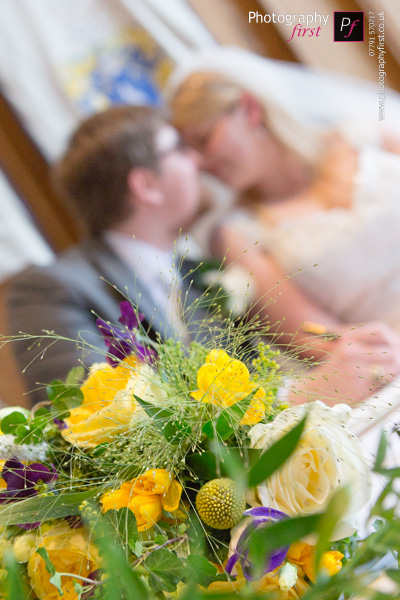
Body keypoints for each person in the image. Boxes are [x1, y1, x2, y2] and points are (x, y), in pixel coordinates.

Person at [6, 105, 400, 409]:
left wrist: (353, 355)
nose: (198, 161)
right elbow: (99, 420)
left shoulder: (201, 276)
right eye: (178, 149)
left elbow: (259, 376)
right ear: (146, 185)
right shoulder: (51, 289)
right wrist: (307, 391)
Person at [168, 47, 400, 361]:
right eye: (189, 153)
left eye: (204, 139)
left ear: (250, 109)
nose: (200, 163)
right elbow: (317, 336)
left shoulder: (364, 135)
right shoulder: (237, 234)